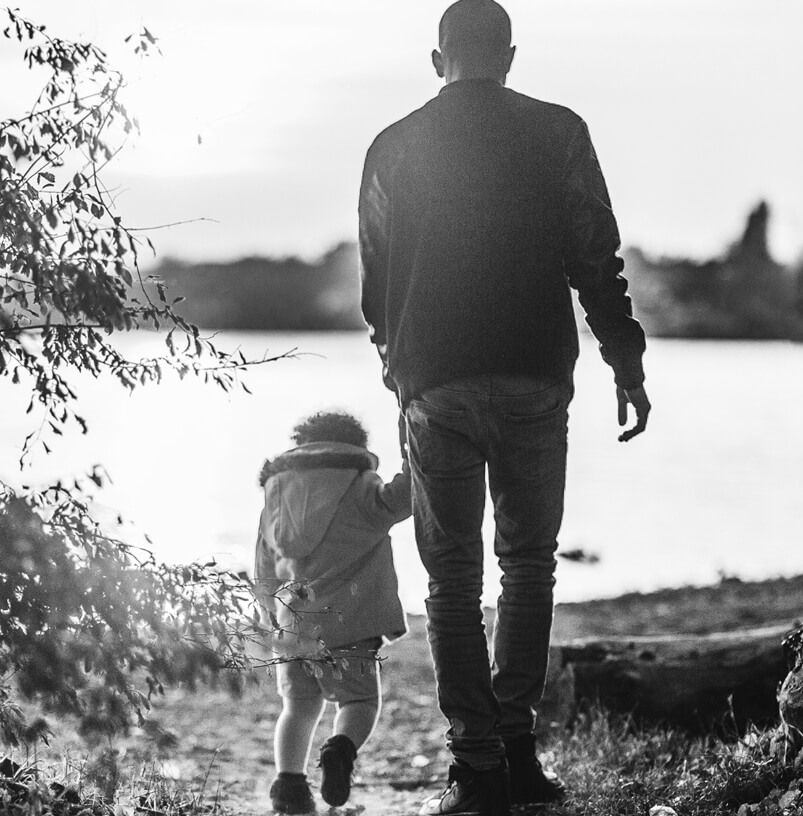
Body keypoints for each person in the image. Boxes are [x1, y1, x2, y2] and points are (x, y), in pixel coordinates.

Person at [357, 2, 652, 815]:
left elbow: (376, 280)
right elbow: (596, 255)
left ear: (435, 58)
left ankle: (478, 767)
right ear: (511, 56)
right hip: (531, 376)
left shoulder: (391, 146)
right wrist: (624, 358)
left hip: (436, 384)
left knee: (451, 582)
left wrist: (398, 370)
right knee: (529, 564)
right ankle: (516, 751)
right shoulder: (559, 132)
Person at [252, 411, 414, 814]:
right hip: (350, 625)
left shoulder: (276, 492)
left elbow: (263, 567)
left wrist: (271, 616)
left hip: (293, 628)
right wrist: (415, 450)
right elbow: (406, 497)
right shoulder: (360, 485)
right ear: (353, 445)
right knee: (358, 704)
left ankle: (288, 786)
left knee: (298, 709)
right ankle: (341, 750)